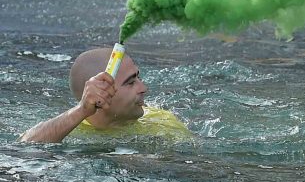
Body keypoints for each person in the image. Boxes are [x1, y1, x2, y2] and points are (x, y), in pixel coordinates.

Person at [20, 48, 189, 143]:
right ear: (100, 92)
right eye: (130, 82)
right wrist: (82, 110)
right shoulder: (71, 131)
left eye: (139, 77)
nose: (144, 88)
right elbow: (25, 146)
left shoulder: (161, 120)